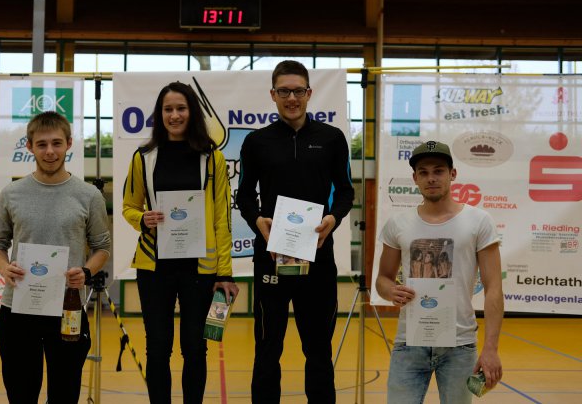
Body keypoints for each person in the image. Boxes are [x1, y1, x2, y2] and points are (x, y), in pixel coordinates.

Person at [236, 60, 355, 403]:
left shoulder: (332, 139)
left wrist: (333, 218)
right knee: (267, 349)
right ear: (273, 94)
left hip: (318, 260)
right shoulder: (257, 142)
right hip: (271, 259)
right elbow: (244, 195)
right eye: (284, 91)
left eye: (298, 91)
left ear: (309, 93)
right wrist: (257, 221)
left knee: (318, 351)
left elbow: (346, 192)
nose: (292, 98)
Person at [122, 81, 239, 403]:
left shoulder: (212, 158)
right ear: (160, 115)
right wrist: (142, 219)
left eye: (181, 108)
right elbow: (129, 207)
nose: (174, 115)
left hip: (199, 270)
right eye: (168, 109)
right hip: (154, 268)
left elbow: (221, 218)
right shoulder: (143, 157)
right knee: (158, 348)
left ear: (192, 112)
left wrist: (225, 272)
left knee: (195, 349)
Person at [0, 111, 111, 404]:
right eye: (41, 144)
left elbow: (102, 248)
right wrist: (4, 268)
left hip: (68, 309)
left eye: (57, 143)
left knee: (65, 395)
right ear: (29, 146)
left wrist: (86, 272)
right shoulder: (11, 193)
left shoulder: (88, 195)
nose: (50, 151)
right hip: (18, 309)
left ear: (69, 144)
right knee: (21, 394)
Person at [376, 140, 504, 404]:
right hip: (409, 342)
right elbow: (382, 279)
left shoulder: (479, 221)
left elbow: (494, 288)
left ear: (452, 174)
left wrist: (491, 348)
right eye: (423, 172)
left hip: (460, 345)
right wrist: (390, 291)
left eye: (438, 171)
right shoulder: (397, 224)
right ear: (415, 178)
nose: (431, 178)